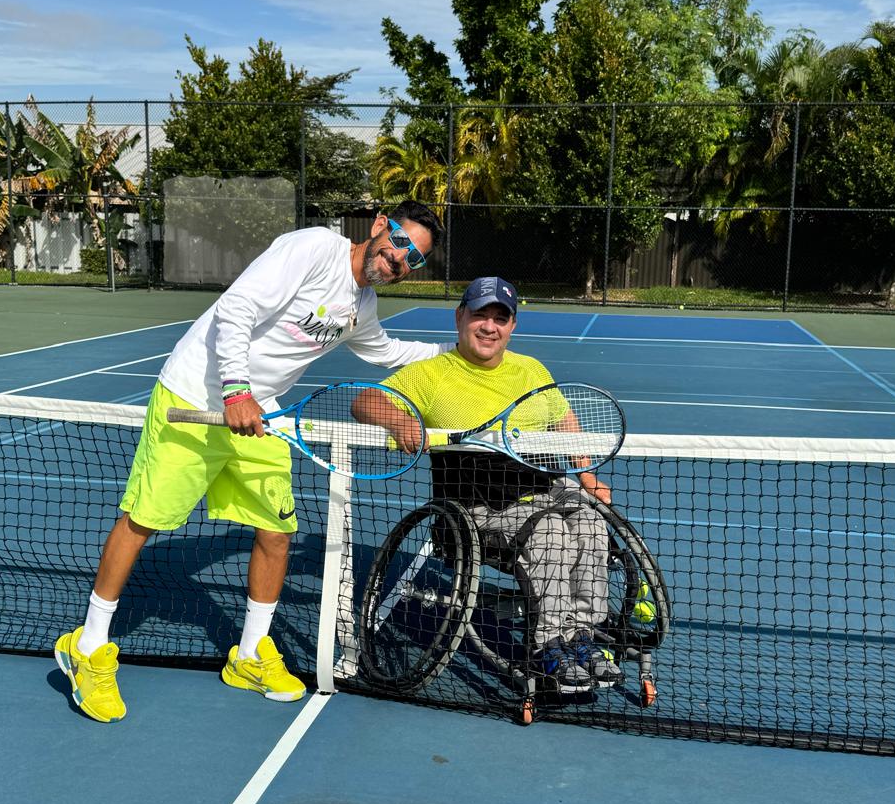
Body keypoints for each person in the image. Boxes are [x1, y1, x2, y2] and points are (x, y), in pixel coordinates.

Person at [55, 205, 447, 722]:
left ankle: (248, 655)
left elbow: (387, 353)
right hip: (197, 396)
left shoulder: (363, 305)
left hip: (261, 417)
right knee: (144, 518)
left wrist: (456, 348)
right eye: (399, 242)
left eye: (412, 260)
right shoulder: (313, 248)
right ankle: (87, 646)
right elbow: (236, 307)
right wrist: (236, 391)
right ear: (378, 226)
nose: (399, 259)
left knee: (276, 531)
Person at [361, 275, 622, 690]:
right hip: (476, 506)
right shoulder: (429, 375)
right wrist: (400, 419)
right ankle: (548, 646)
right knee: (552, 531)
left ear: (512, 326)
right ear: (460, 316)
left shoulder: (530, 369)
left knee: (590, 521)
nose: (489, 326)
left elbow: (564, 421)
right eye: (480, 315)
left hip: (542, 489)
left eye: (501, 318)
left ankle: (582, 636)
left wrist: (589, 478)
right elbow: (365, 401)